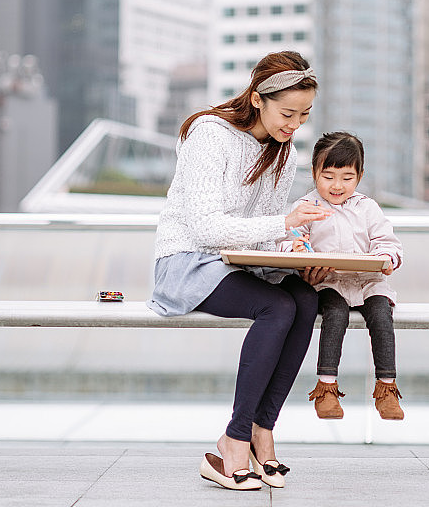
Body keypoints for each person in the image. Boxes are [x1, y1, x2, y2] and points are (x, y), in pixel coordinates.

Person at [148, 51, 332, 491]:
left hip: (238, 262)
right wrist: (285, 223)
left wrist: (295, 248)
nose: (294, 125)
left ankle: (262, 430)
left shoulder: (282, 154)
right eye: (287, 113)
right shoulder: (209, 135)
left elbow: (262, 236)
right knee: (276, 308)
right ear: (257, 99)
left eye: (304, 115)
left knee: (305, 300)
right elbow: (206, 228)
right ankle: (233, 440)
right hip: (187, 261)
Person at [282, 132, 405, 421]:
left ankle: (387, 387)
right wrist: (296, 251)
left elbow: (388, 243)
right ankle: (326, 387)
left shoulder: (368, 208)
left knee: (381, 314)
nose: (337, 186)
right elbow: (287, 240)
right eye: (328, 176)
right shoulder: (305, 208)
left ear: (359, 176)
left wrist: (386, 260)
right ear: (313, 173)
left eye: (346, 178)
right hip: (327, 282)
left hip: (367, 282)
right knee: (335, 315)